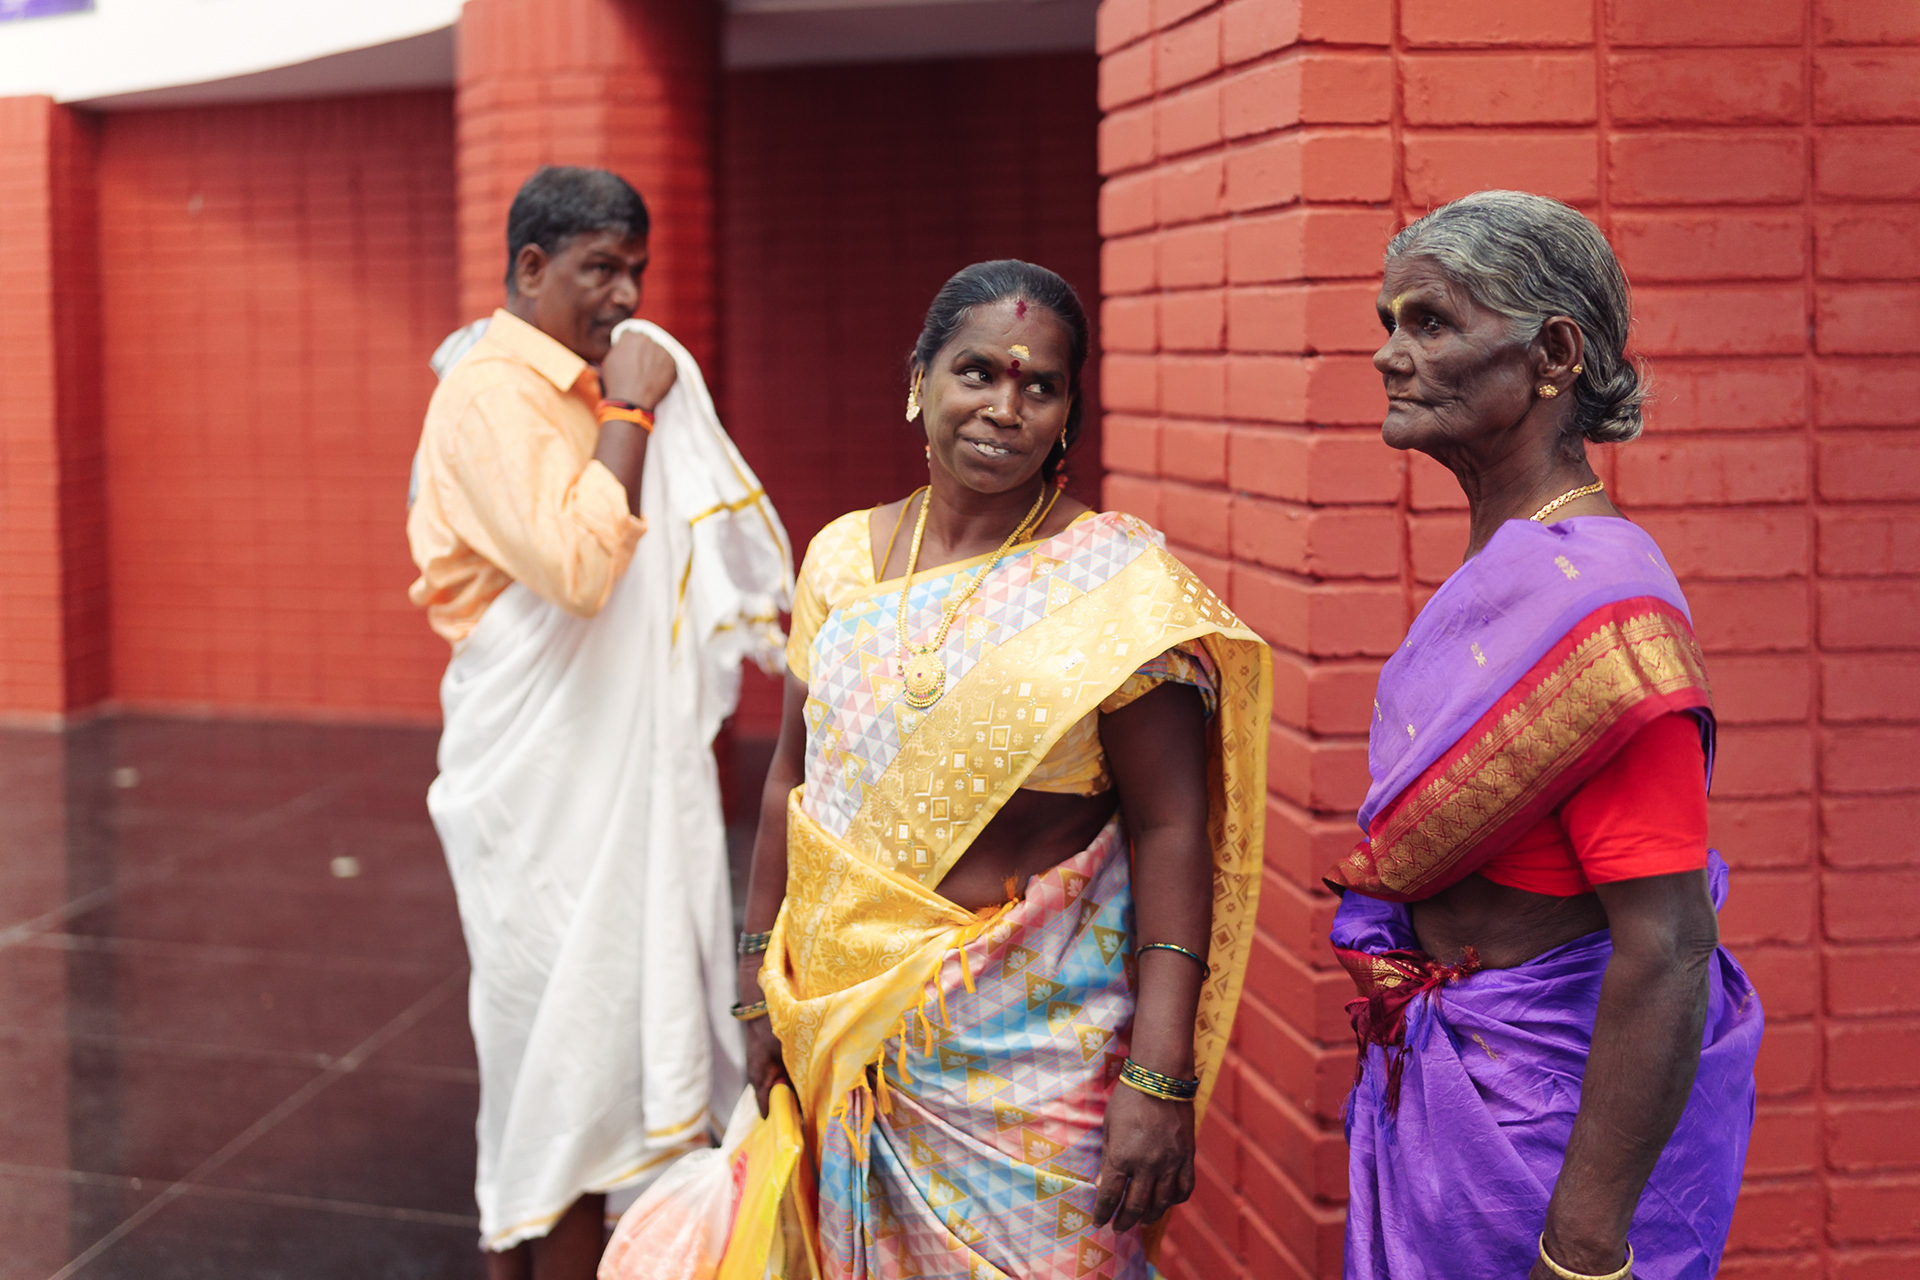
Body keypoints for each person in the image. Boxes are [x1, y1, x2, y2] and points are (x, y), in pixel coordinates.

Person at [610, 259, 1271, 1280]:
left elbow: (1174, 827)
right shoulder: (838, 559)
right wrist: (756, 981)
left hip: (1033, 1060)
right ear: (920, 379)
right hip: (838, 1023)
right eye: (977, 372)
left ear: (1068, 413)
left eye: (1039, 386)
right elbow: (796, 773)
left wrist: (1159, 1070)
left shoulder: (1118, 591)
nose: (1004, 409)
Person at [1328, 191, 1763, 1280]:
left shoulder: (1603, 611)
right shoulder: (1507, 578)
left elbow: (1667, 944)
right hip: (1458, 1095)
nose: (1390, 354)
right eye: (1390, 322)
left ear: (1555, 354)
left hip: (1542, 1145)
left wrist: (1579, 1246)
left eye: (1431, 322)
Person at [407, 165, 791, 1278]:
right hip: (533, 772)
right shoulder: (491, 393)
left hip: (594, 764)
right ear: (532, 268)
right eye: (600, 268)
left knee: (592, 1046)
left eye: (637, 268)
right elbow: (579, 569)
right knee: (551, 1045)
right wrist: (630, 406)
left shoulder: (571, 378)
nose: (627, 292)